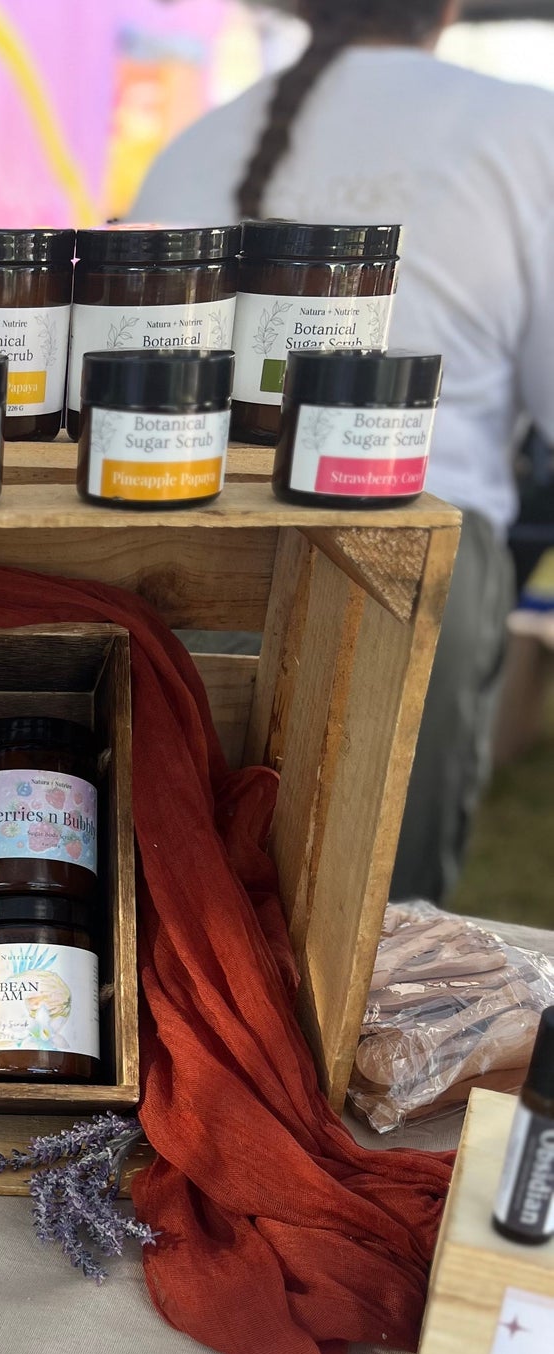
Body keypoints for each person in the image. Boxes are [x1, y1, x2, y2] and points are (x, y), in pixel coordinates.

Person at [128, 0, 554, 902]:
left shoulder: (195, 139)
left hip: (180, 547)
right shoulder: (525, 125)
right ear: (444, 10)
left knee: (182, 896)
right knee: (373, 932)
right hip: (403, 544)